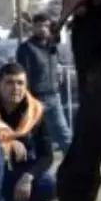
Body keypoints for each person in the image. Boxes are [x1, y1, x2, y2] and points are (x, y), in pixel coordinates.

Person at [0, 63, 56, 201]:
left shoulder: (35, 112)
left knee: (49, 183)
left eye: (20, 83)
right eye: (9, 82)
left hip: (14, 176)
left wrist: (28, 177)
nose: (15, 88)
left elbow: (47, 155)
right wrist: (6, 142)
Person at [14, 13, 71, 152]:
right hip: (35, 98)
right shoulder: (26, 48)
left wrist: (59, 73)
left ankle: (74, 167)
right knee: (30, 137)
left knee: (64, 135)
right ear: (33, 27)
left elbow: (60, 63)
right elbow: (22, 76)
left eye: (45, 25)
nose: (42, 29)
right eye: (39, 25)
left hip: (53, 97)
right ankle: (28, 168)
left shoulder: (52, 46)